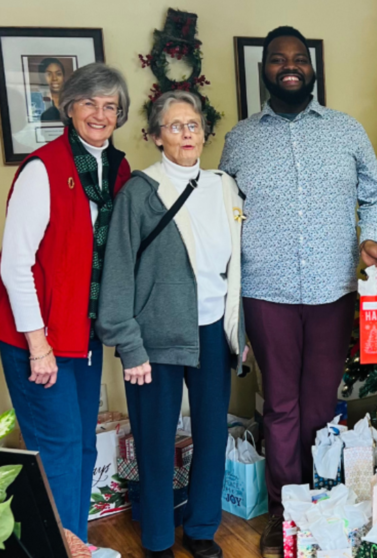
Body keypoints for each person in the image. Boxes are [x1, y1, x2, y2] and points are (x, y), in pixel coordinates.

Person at [218, 25, 377, 557]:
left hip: (332, 290)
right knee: (281, 406)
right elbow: (224, 211)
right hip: (266, 290)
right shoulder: (240, 139)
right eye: (278, 59)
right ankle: (284, 512)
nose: (289, 65)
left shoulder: (346, 130)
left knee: (322, 404)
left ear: (312, 70)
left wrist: (370, 239)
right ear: (264, 70)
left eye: (299, 58)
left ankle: (324, 505)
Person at [96, 91, 245, 558]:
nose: (187, 133)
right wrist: (128, 344)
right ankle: (158, 538)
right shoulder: (140, 192)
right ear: (157, 136)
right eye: (175, 125)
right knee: (156, 442)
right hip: (154, 338)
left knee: (212, 433)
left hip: (211, 331)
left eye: (194, 124)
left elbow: (236, 265)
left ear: (204, 133)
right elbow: (116, 273)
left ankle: (202, 528)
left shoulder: (224, 186)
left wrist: (238, 331)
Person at [0, 63, 131, 545]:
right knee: (56, 451)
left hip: (83, 336)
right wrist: (38, 344)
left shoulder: (118, 170)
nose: (100, 114)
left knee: (79, 451)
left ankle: (72, 543)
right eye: (89, 103)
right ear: (69, 107)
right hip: (38, 339)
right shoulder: (43, 167)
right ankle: (57, 547)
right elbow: (15, 264)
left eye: (110, 106)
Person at [38, 57, 66, 122]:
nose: (54, 78)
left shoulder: (72, 102)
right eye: (49, 74)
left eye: (58, 74)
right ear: (42, 78)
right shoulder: (38, 102)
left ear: (63, 77)